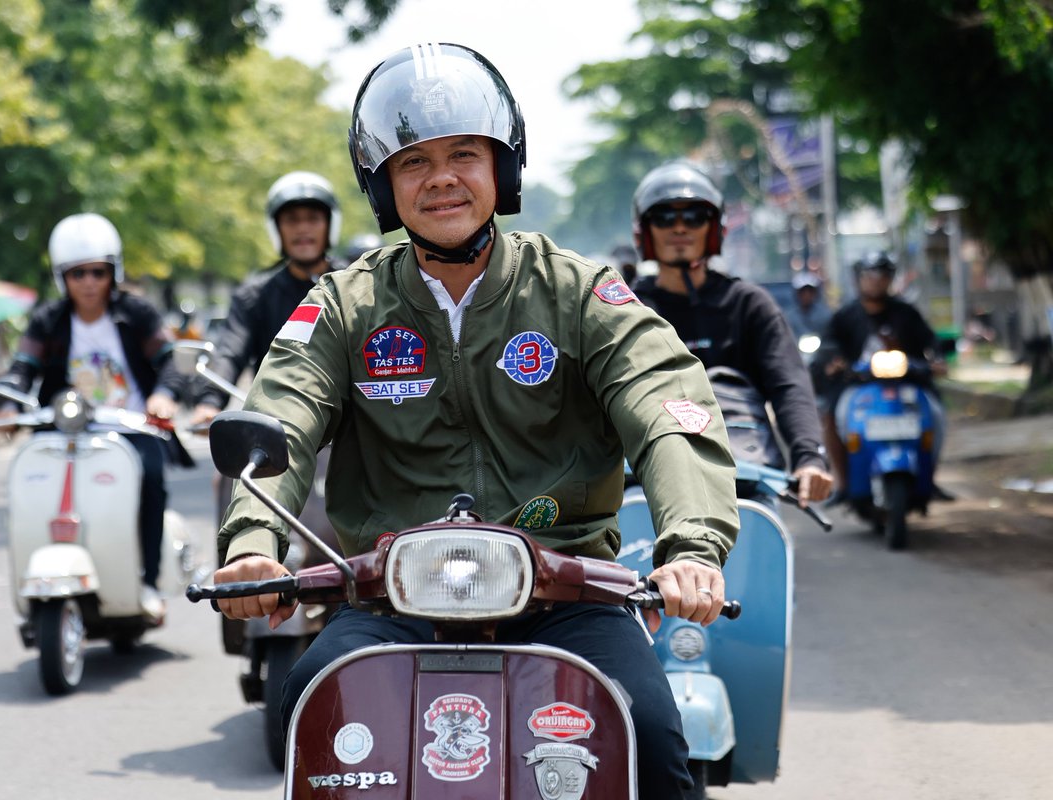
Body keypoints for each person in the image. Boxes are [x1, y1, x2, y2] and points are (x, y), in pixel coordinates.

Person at [213, 43, 741, 798]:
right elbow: (282, 416)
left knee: (652, 739)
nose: (442, 179)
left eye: (464, 153)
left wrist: (692, 545)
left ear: (504, 166)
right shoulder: (341, 306)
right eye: (412, 162)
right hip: (393, 602)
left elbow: (667, 405)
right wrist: (255, 546)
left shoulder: (579, 292)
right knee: (308, 708)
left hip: (568, 598)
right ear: (382, 187)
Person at [0, 212, 188, 619]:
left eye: (98, 272)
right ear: (62, 277)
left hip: (130, 428)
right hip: (62, 430)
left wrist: (163, 397)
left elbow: (169, 363)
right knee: (33, 483)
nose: (89, 282)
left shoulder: (138, 313)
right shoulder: (48, 319)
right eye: (77, 273)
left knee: (151, 478)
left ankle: (148, 581)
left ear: (113, 272)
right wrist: (8, 405)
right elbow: (21, 367)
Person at [630, 161, 833, 506]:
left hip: (744, 475)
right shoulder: (625, 307)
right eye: (665, 218)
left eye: (694, 217)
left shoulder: (750, 304)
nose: (679, 228)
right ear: (645, 232)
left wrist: (808, 457)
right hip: (644, 478)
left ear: (714, 228)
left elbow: (788, 385)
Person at [189, 171, 343, 426]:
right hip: (280, 425)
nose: (302, 228)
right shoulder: (254, 295)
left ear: (330, 224)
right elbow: (230, 351)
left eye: (313, 218)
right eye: (291, 220)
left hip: (351, 427)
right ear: (277, 228)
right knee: (228, 467)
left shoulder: (356, 283)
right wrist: (209, 401)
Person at [814, 251, 945, 500]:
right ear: (859, 279)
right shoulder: (845, 316)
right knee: (833, 416)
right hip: (858, 386)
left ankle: (929, 477)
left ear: (891, 279)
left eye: (882, 275)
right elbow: (828, 346)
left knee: (936, 415)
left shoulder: (906, 313)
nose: (876, 280)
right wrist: (833, 362)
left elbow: (931, 340)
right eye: (870, 275)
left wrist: (936, 360)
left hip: (906, 384)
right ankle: (842, 484)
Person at [784, 269, 832, 339]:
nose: (806, 295)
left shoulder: (825, 315)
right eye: (803, 292)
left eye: (810, 291)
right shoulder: (788, 317)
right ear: (797, 293)